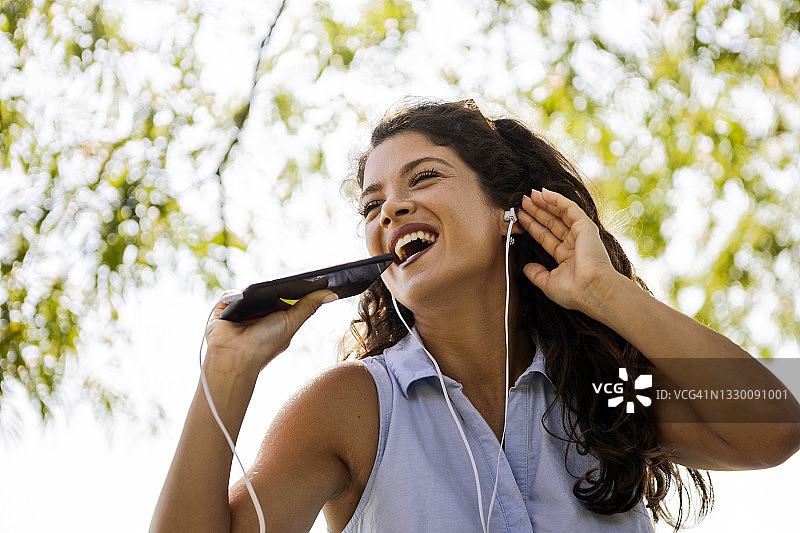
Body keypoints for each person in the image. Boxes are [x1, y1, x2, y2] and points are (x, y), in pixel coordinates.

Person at [151, 99, 800, 532]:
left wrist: (608, 293)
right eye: (373, 204)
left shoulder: (598, 389)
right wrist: (227, 372)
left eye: (423, 178)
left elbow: (776, 425)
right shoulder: (352, 407)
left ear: (508, 213)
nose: (390, 209)